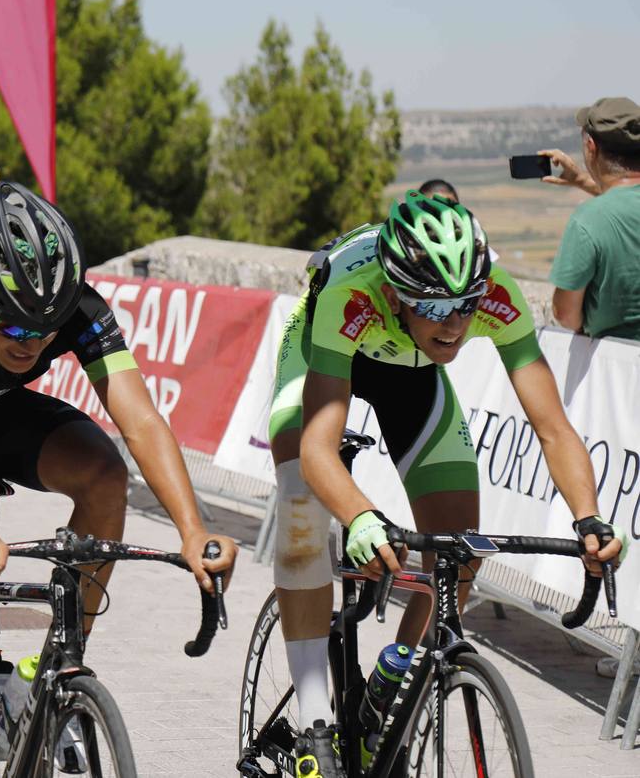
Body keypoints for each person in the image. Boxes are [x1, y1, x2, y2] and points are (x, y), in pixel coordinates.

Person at [0, 181, 236, 777]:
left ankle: (59, 663)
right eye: (11, 326)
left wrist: (193, 530)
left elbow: (138, 418)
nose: (28, 343)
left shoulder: (74, 306)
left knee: (105, 472)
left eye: (44, 329)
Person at [266, 190, 627, 777]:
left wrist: (588, 518)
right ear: (394, 293)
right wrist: (360, 516)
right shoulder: (350, 297)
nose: (456, 322)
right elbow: (316, 448)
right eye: (434, 307)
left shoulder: (497, 296)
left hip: (414, 380)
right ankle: (314, 723)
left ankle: (394, 684)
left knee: (460, 547)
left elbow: (553, 428)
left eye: (467, 303)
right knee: (302, 510)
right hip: (322, 359)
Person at [541, 96, 640, 342]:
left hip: (619, 363)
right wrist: (583, 181)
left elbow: (565, 314)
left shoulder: (588, 220)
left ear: (591, 146)